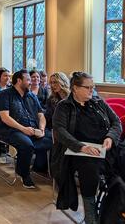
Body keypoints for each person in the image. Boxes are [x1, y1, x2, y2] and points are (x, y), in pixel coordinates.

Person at [52, 72, 122, 224]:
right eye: (88, 87)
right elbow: (60, 131)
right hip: (77, 152)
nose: (92, 90)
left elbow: (116, 122)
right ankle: (91, 216)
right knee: (89, 169)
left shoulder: (98, 102)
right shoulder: (64, 106)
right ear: (75, 88)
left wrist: (110, 137)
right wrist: (81, 147)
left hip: (105, 148)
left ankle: (115, 208)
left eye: (93, 87)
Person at [0, 69, 52, 188]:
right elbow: (5, 117)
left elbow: (41, 115)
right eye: (28, 80)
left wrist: (41, 129)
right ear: (19, 80)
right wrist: (23, 129)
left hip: (32, 129)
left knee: (53, 138)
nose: (31, 82)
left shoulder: (31, 96)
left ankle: (39, 167)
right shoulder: (4, 94)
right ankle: (24, 173)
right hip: (11, 130)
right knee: (27, 145)